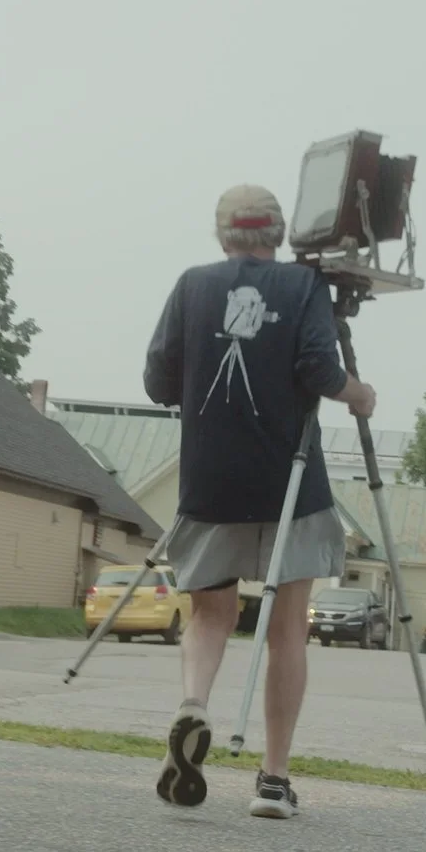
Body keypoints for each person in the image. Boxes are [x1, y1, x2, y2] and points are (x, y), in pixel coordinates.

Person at [142, 183, 375, 819]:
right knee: (286, 630)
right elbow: (320, 375)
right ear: (279, 235)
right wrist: (359, 395)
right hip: (288, 484)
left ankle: (194, 703)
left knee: (210, 615)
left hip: (209, 481)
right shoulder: (303, 289)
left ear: (223, 236)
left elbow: (157, 379)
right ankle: (273, 782)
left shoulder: (192, 285)